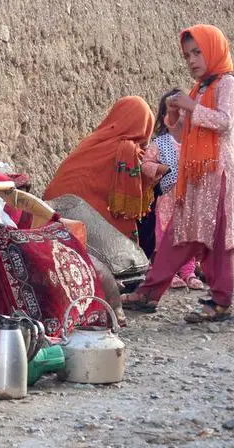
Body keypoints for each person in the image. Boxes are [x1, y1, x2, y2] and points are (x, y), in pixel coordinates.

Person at [122, 24, 234, 322]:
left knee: (218, 237)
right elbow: (190, 136)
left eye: (198, 52)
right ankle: (149, 293)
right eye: (187, 56)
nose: (192, 60)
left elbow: (223, 123)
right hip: (196, 176)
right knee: (178, 235)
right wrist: (175, 119)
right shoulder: (201, 88)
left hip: (217, 174)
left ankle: (221, 300)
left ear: (214, 50)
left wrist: (189, 105)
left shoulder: (226, 83)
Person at [43, 96, 155, 241]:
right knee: (122, 247)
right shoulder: (129, 153)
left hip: (50, 206)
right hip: (79, 215)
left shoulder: (94, 140)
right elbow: (139, 194)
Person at [141, 88, 205, 290]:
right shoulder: (159, 143)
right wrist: (159, 169)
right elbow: (145, 164)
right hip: (168, 200)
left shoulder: (196, 143)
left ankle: (188, 272)